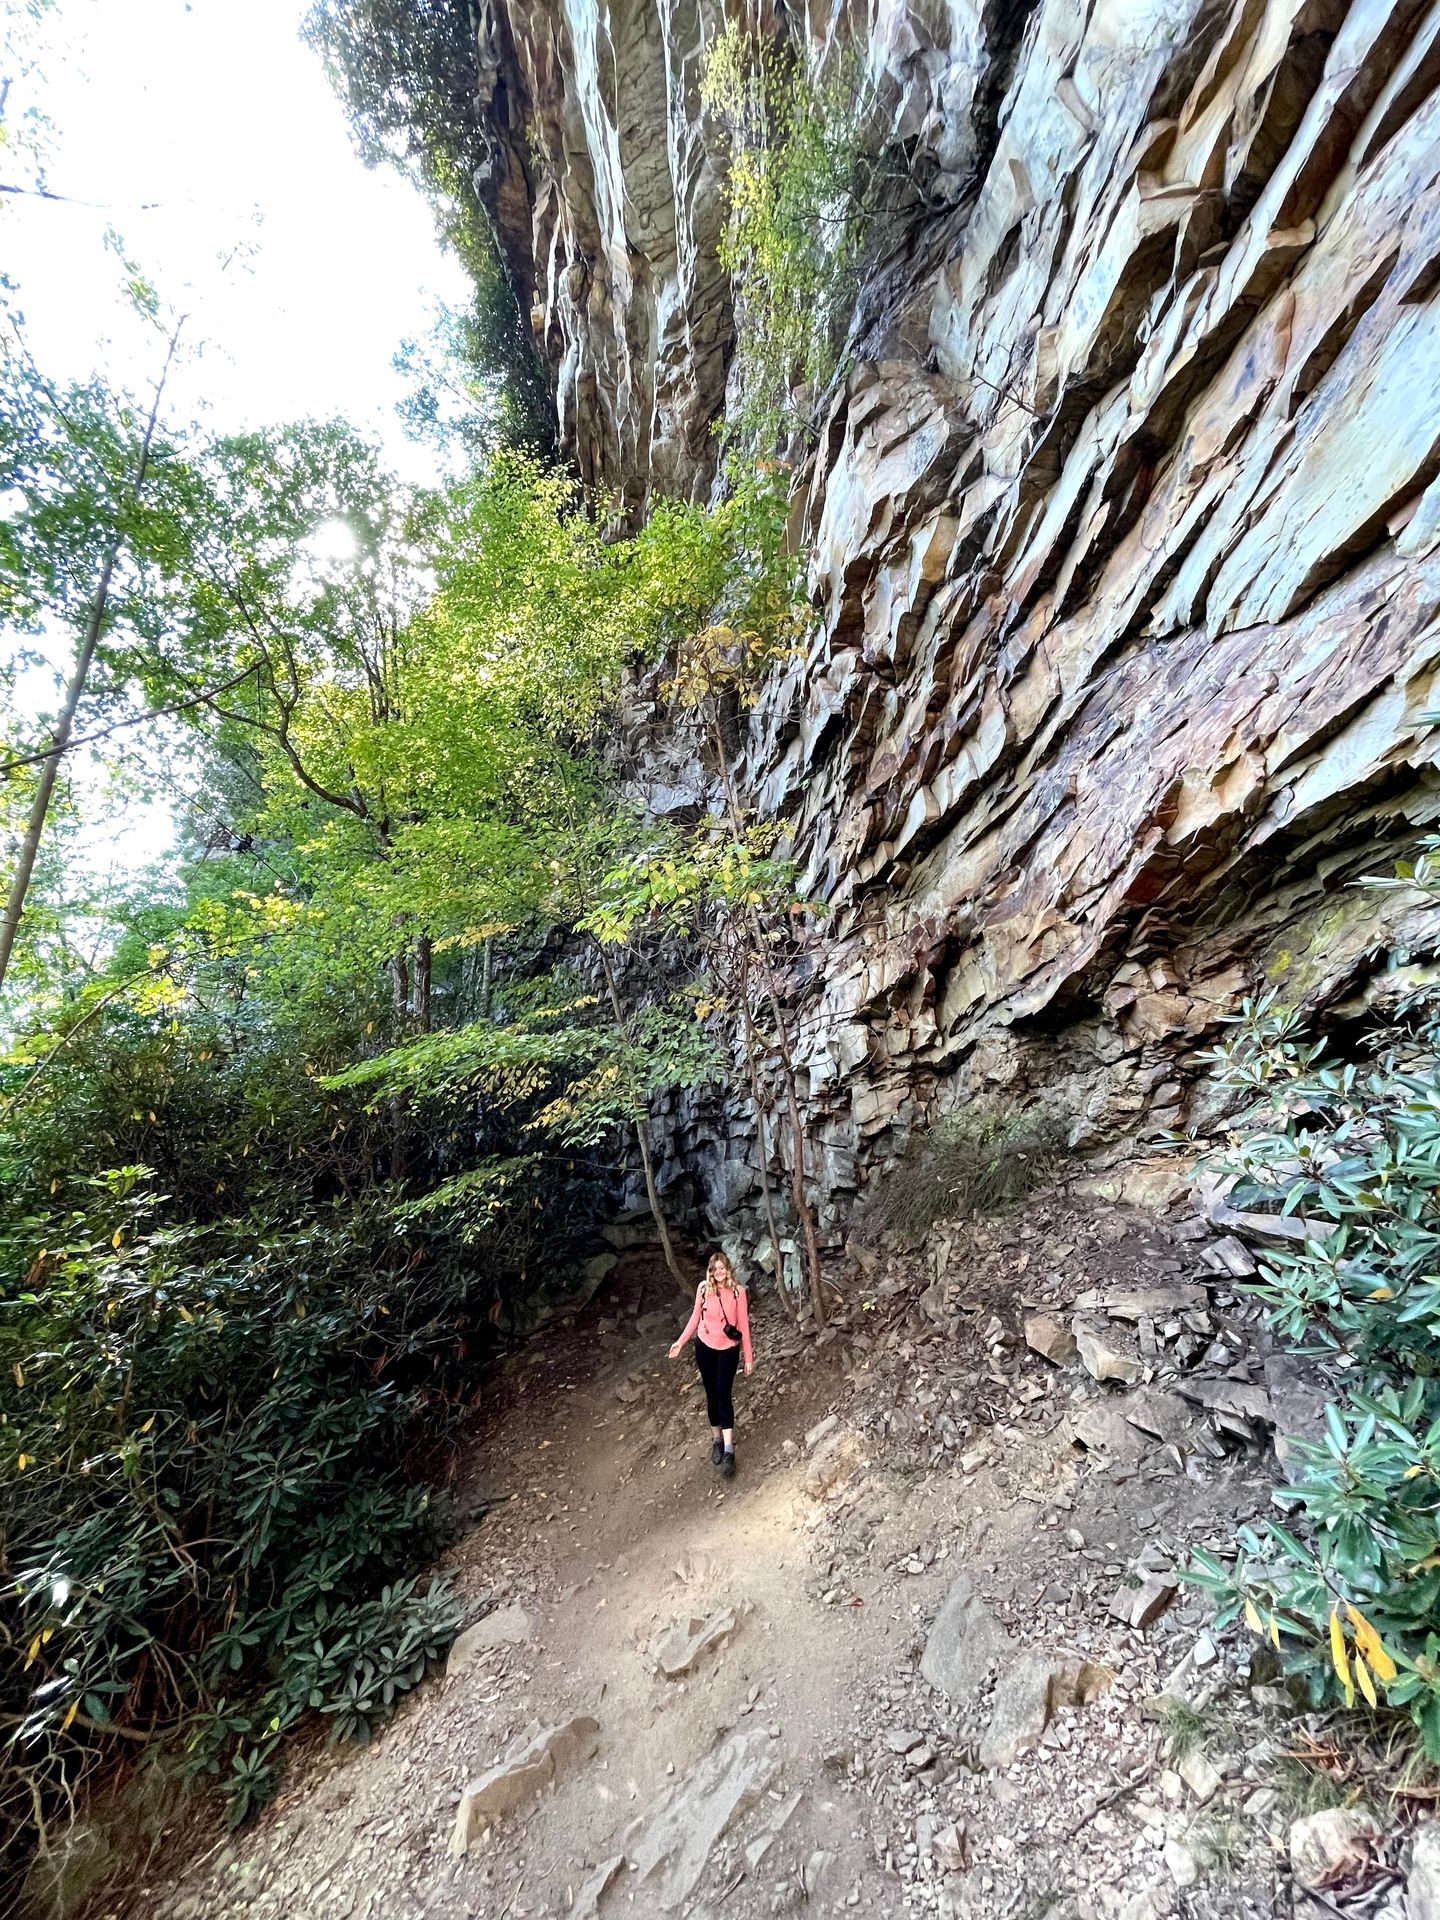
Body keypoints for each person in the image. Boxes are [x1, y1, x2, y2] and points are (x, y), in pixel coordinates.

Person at [668, 1251, 753, 1478]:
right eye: (715, 1269)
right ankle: (716, 1439)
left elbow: (743, 1325)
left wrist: (748, 1358)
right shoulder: (704, 1289)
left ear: (728, 1269)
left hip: (728, 1349)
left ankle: (728, 1449)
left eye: (722, 1268)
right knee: (711, 1395)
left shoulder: (738, 1292)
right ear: (710, 1270)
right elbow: (695, 1317)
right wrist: (681, 1342)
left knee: (723, 1394)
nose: (719, 1272)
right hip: (705, 1347)